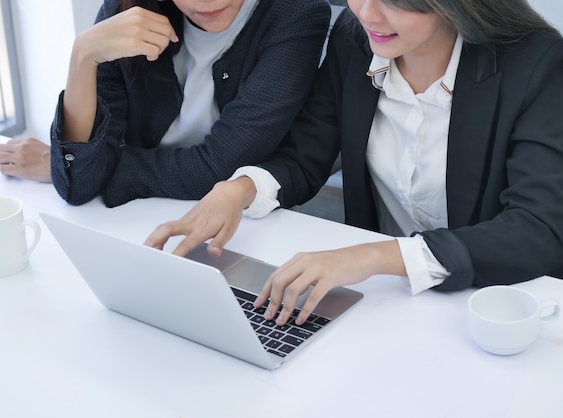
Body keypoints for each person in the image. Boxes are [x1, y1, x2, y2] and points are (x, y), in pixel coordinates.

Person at [146, 0, 563, 326]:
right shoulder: (355, 40)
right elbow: (304, 156)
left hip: (499, 309)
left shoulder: (538, 64)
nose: (366, 13)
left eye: (395, 2)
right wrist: (238, 190)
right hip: (390, 304)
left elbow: (538, 230)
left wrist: (372, 256)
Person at [0, 0, 331, 207]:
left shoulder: (295, 13)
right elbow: (78, 186)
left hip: (242, 226)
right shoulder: (129, 8)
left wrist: (74, 165)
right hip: (139, 218)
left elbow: (217, 169)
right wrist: (83, 53)